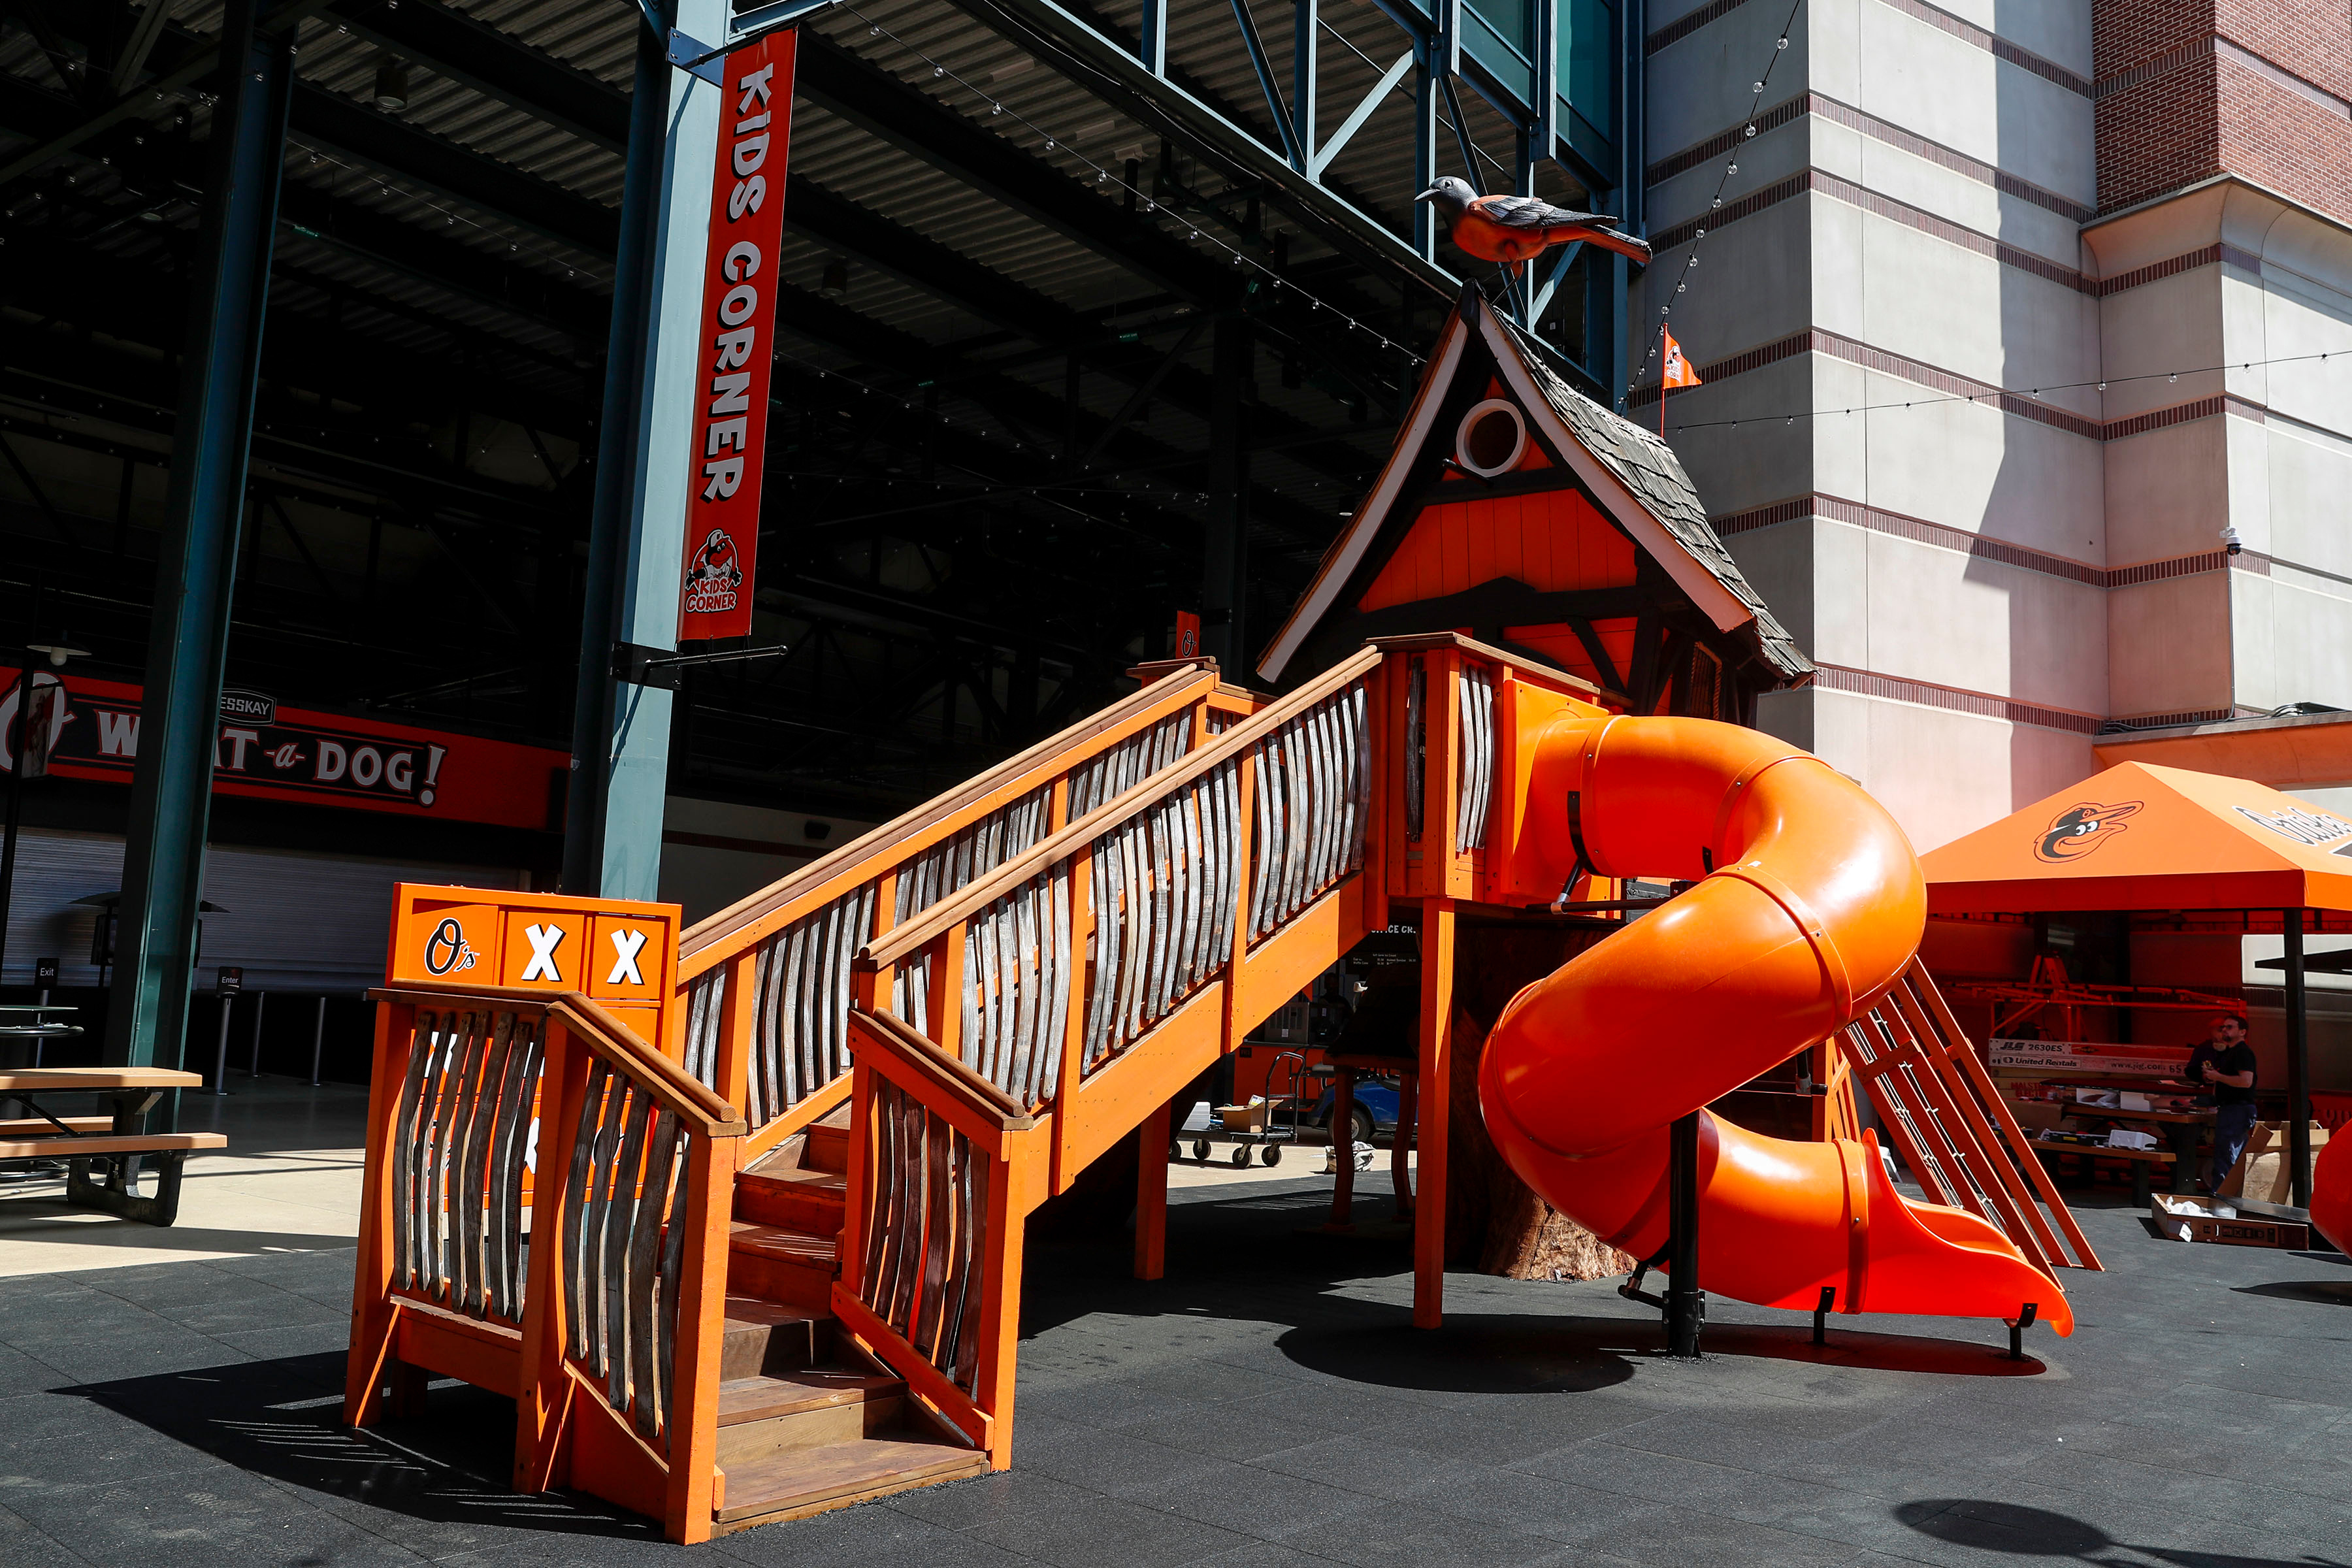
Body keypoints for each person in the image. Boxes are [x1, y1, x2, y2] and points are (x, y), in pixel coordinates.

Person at [2184, 1013, 2259, 1194]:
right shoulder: (2229, 1052)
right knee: (2228, 1155)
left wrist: (2218, 1077)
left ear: (2242, 1032)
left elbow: (2246, 1081)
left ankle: (2223, 1198)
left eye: (2230, 1027)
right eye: (2223, 1027)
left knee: (2226, 1156)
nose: (2225, 1030)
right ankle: (2230, 1196)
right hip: (2230, 1108)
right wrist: (2212, 1077)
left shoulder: (2242, 1052)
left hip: (2237, 1109)